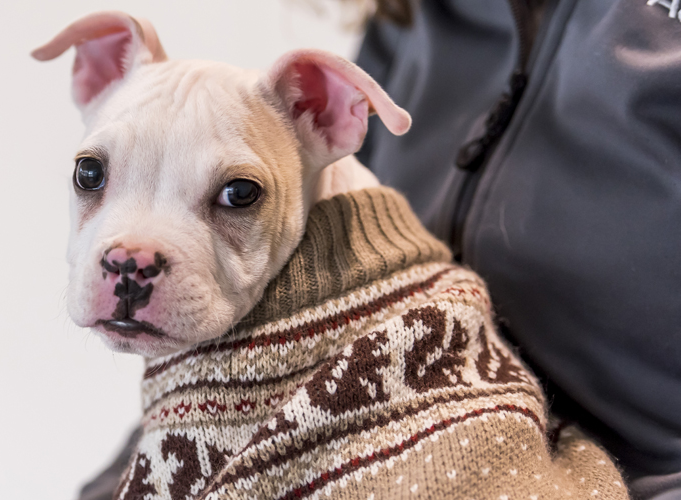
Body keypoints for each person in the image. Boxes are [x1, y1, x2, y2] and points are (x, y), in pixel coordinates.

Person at [79, 1, 681, 498]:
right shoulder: (417, 14)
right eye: (91, 177)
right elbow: (257, 359)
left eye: (235, 192)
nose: (130, 254)